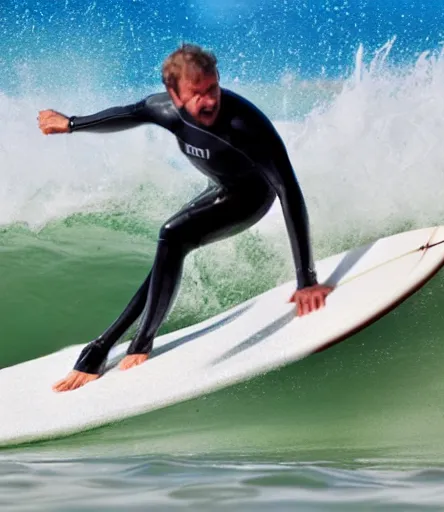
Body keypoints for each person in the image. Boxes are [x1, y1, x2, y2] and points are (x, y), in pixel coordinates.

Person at [38, 44, 333, 393]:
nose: (209, 101)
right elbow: (128, 114)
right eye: (197, 94)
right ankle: (101, 347)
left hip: (253, 197)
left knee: (172, 234)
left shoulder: (245, 124)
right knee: (170, 245)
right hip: (222, 187)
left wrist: (306, 280)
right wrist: (72, 124)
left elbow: (289, 191)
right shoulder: (163, 110)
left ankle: (138, 345)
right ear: (174, 95)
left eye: (213, 89)